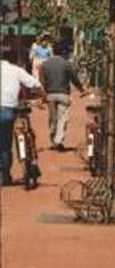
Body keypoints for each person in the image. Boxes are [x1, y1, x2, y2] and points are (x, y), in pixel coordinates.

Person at [1, 44, 41, 184]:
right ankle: (5, 175)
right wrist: (42, 96)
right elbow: (35, 84)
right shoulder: (17, 70)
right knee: (5, 145)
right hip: (8, 110)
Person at [39, 41, 86, 151]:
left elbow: (41, 80)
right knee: (62, 118)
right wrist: (81, 89)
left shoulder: (45, 64)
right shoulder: (66, 64)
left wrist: (43, 93)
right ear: (63, 52)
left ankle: (53, 137)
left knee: (52, 118)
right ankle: (58, 140)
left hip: (50, 94)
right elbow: (74, 78)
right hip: (63, 94)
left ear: (53, 51)